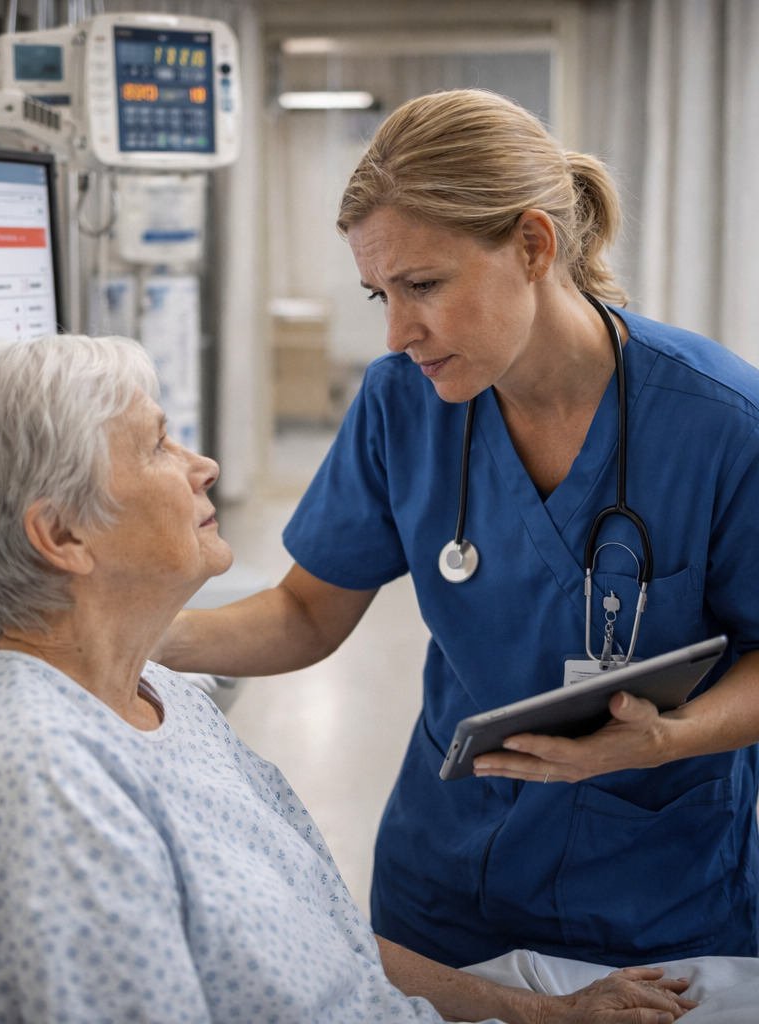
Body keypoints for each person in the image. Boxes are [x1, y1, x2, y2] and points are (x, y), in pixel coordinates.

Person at [0, 334, 695, 1024]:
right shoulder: (38, 787)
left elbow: (328, 943)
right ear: (61, 534)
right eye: (158, 445)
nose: (202, 466)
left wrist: (552, 1015)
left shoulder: (157, 703)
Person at [153, 88, 759, 971]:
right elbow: (306, 613)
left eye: (425, 286)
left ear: (533, 245)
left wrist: (669, 735)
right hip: (443, 882)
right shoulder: (405, 402)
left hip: (654, 892)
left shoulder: (719, 423)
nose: (400, 332)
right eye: (380, 296)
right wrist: (136, 636)